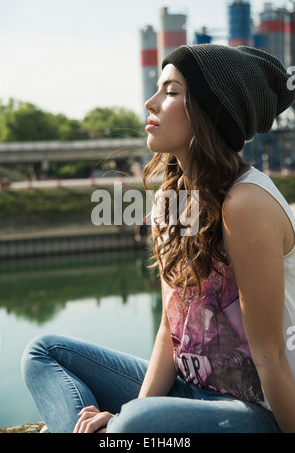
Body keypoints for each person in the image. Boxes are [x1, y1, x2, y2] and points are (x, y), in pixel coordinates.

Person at [21, 44, 295, 433]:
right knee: (43, 353)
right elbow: (172, 329)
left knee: (130, 425)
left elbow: (270, 356)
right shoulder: (172, 199)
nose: (150, 103)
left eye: (171, 92)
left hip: (251, 410)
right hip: (187, 390)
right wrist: (136, 409)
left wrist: (128, 418)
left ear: (209, 112)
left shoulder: (246, 202)